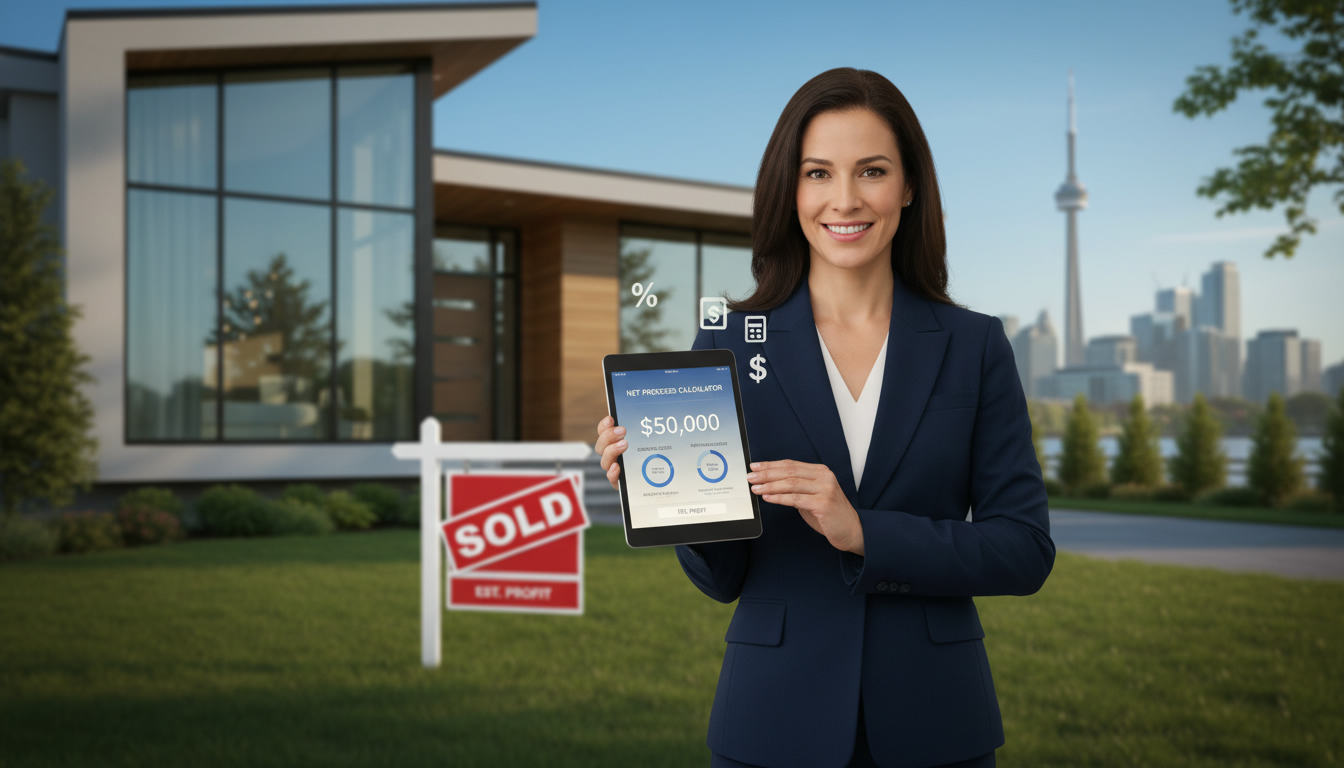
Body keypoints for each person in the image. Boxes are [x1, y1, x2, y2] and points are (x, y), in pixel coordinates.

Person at [594, 67, 1054, 768]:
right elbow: (723, 580)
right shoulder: (725, 340)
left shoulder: (975, 345)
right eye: (818, 173)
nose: (845, 199)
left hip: (937, 722)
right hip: (772, 720)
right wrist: (660, 495)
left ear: (909, 187)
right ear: (791, 189)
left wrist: (864, 532)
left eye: (871, 171)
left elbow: (1023, 549)